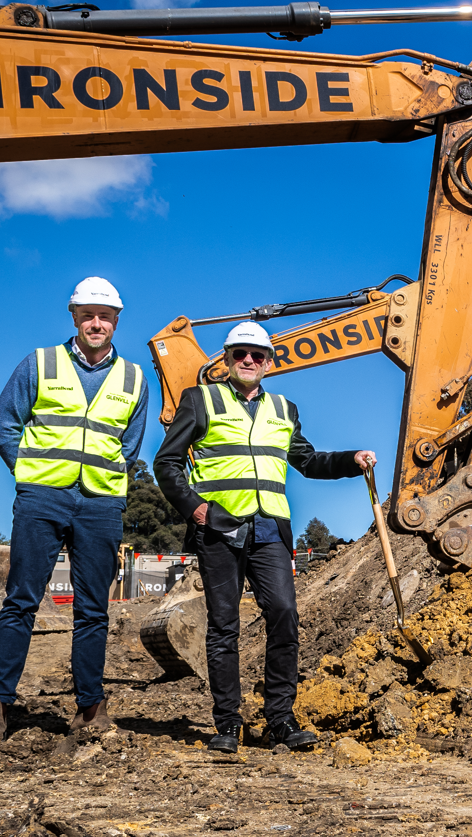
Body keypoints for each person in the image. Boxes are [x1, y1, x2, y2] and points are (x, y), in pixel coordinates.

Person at [153, 321, 374, 753]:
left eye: (257, 355)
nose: (249, 361)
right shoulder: (201, 400)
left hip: (271, 528)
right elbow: (167, 463)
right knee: (223, 625)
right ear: (227, 359)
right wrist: (196, 509)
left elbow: (308, 461)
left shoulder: (284, 409)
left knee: (284, 614)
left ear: (270, 363)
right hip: (218, 529)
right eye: (240, 354)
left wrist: (353, 459)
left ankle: (280, 721)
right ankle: (228, 723)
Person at [0, 277, 149, 744]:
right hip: (42, 499)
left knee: (93, 610)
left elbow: (128, 450)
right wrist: (31, 475)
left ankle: (90, 708)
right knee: (21, 601)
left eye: (106, 316)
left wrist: (104, 489)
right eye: (88, 314)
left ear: (116, 321)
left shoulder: (134, 379)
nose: (97, 323)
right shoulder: (39, 363)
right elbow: (3, 427)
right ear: (74, 316)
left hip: (100, 505)